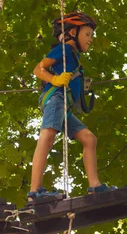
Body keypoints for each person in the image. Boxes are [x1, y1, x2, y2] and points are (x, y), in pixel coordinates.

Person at [28, 12, 116, 201]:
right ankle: (35, 191)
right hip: (56, 98)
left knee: (89, 139)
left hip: (64, 106)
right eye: (87, 34)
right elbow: (38, 69)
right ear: (72, 32)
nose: (90, 40)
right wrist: (55, 79)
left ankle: (95, 186)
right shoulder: (65, 50)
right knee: (48, 135)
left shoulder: (73, 57)